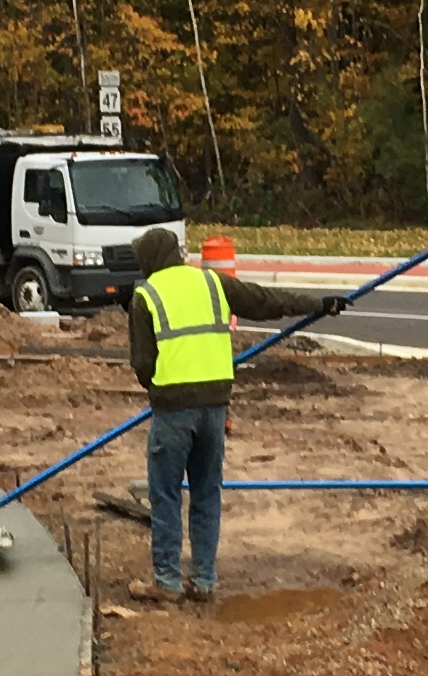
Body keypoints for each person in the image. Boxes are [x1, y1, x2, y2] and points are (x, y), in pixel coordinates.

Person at [121, 227, 338, 599]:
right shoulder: (212, 283)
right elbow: (266, 301)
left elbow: (143, 365)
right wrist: (319, 303)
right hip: (215, 409)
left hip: (173, 410)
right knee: (207, 492)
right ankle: (204, 580)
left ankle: (168, 582)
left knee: (166, 494)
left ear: (150, 261)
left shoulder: (146, 295)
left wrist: (160, 384)